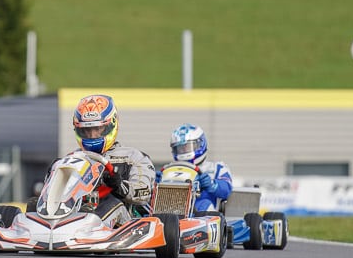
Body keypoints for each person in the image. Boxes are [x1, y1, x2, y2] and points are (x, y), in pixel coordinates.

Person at [70, 94, 156, 226]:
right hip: (73, 215)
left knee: (110, 202)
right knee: (33, 205)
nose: (92, 135)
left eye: (97, 129)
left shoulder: (133, 157)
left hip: (122, 226)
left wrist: (119, 185)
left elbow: (144, 194)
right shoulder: (73, 158)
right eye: (87, 130)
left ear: (111, 125)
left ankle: (88, 222)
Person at [168, 123, 233, 212]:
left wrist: (212, 184)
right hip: (174, 210)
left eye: (187, 147)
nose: (184, 151)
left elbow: (226, 190)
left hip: (204, 213)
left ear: (201, 144)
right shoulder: (170, 170)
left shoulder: (217, 168)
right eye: (180, 148)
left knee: (204, 205)